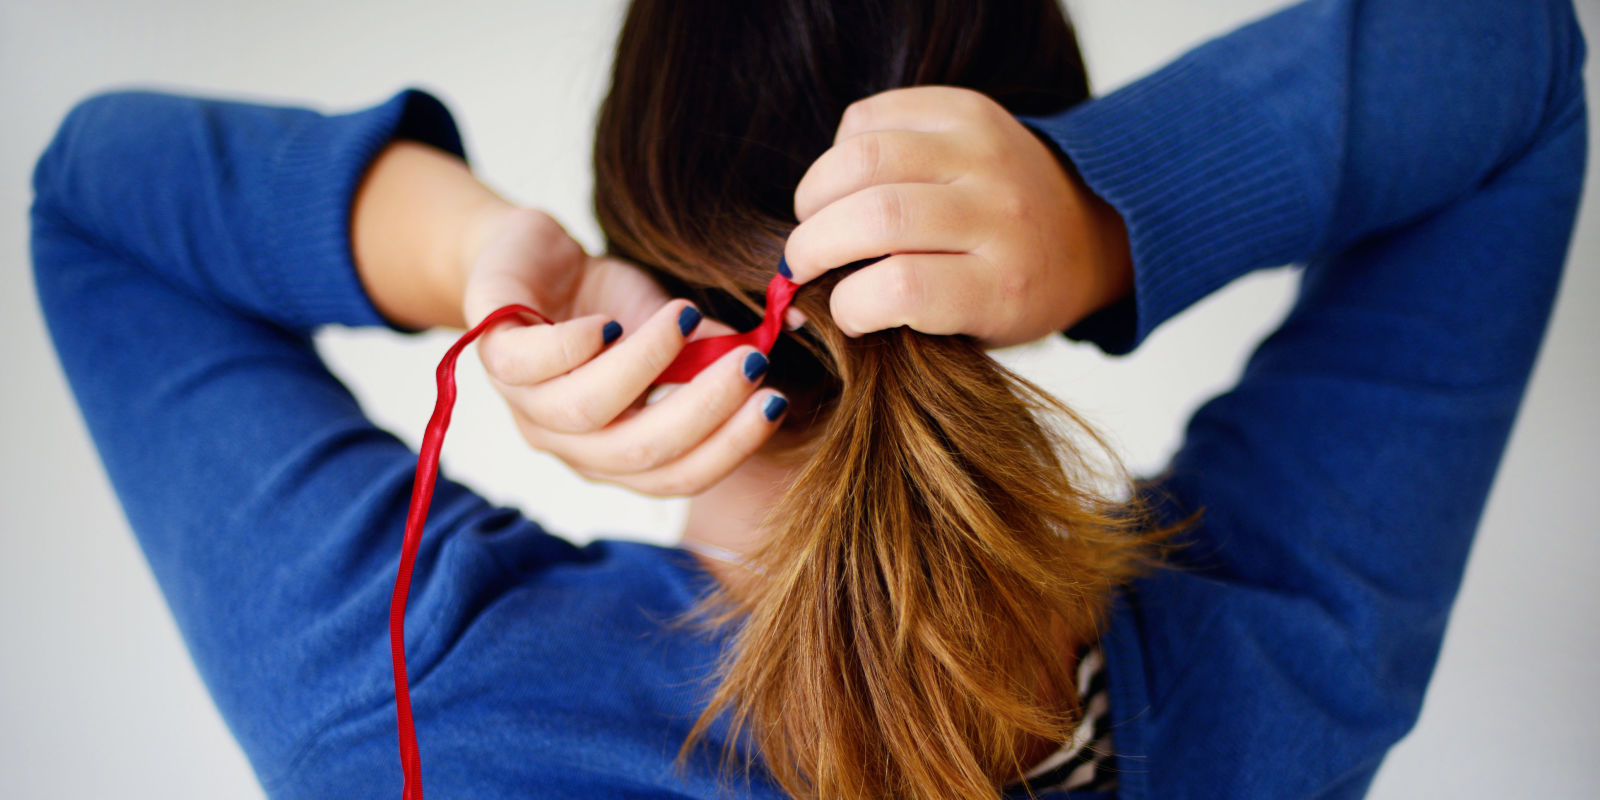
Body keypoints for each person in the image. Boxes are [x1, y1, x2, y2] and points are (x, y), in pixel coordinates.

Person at [29, 0, 1585, 797]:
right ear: (1013, 274)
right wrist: (1115, 209)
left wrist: (485, 258)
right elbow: (1509, 63)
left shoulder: (424, 680)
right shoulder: (1264, 669)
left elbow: (96, 201)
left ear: (642, 210)